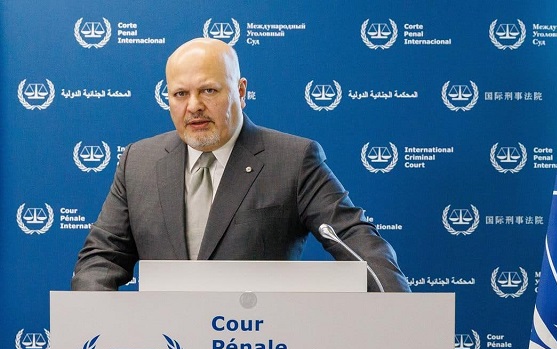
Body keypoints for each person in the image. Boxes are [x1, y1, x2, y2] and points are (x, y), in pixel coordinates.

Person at [72, 38, 411, 292]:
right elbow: (102, 257)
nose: (194, 106)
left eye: (209, 90)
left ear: (241, 90)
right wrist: (94, 321)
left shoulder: (293, 160)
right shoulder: (138, 162)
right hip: (166, 348)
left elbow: (355, 238)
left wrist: (397, 311)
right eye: (180, 94)